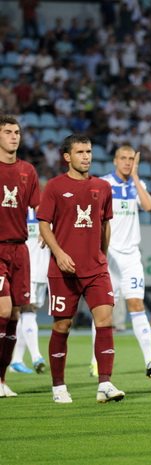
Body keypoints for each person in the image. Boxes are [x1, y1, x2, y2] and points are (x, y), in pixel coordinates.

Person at [38, 134, 124, 404]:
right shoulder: (54, 186)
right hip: (63, 269)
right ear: (67, 157)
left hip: (95, 268)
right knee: (62, 325)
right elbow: (44, 224)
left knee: (105, 320)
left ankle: (105, 383)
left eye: (88, 151)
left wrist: (102, 255)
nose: (86, 157)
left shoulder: (102, 187)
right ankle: (58, 386)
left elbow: (106, 224)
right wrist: (59, 253)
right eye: (80, 152)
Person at [90, 145, 151, 378]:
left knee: (137, 305)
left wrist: (136, 178)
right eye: (123, 158)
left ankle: (149, 359)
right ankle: (95, 360)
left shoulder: (137, 185)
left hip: (131, 257)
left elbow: (149, 206)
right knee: (104, 310)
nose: (128, 162)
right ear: (115, 160)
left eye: (131, 159)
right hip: (109, 256)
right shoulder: (103, 184)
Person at [0, 115, 40, 397]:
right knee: (3, 310)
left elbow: (40, 208)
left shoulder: (28, 171)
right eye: (7, 132)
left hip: (20, 249)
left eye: (17, 132)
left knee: (15, 313)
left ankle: (2, 379)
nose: (14, 136)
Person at [9, 207, 48, 375]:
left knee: (28, 314)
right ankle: (36, 356)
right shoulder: (17, 209)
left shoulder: (48, 211)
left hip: (42, 270)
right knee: (27, 309)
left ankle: (16, 360)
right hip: (25, 269)